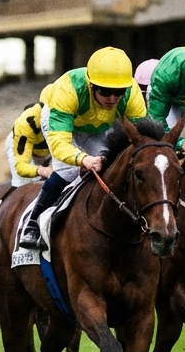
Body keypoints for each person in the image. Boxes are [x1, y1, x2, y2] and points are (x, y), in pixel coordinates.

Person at [18, 47, 147, 249]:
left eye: (119, 92)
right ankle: (33, 222)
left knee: (112, 165)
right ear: (91, 84)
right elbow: (61, 144)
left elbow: (141, 137)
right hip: (61, 120)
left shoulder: (132, 93)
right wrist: (82, 159)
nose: (113, 99)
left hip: (98, 126)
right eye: (105, 91)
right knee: (68, 170)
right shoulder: (68, 89)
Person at [6, 85, 53, 188]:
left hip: (47, 150)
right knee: (27, 184)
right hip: (23, 148)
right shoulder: (25, 124)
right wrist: (40, 170)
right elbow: (21, 166)